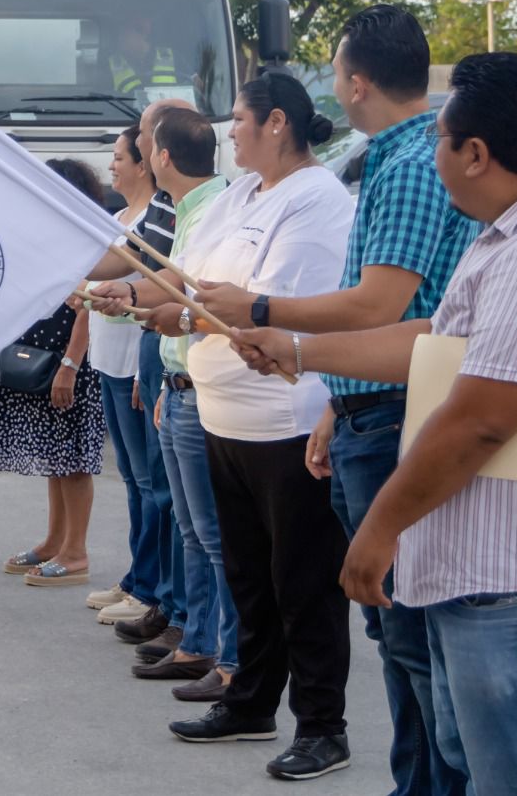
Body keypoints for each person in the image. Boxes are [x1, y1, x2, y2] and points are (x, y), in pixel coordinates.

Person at [236, 52, 517, 794]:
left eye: (440, 140)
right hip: (496, 569)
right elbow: (439, 342)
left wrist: (379, 530)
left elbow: (479, 421)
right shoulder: (516, 233)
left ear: (475, 154)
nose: (431, 158)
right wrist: (300, 352)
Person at [196, 5, 476, 795]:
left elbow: (376, 307)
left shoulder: (411, 165)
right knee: (397, 634)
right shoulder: (387, 161)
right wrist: (333, 401)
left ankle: (421, 782)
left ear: (355, 82)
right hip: (365, 407)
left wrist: (263, 316)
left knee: (406, 632)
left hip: (393, 416)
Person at [147, 72, 357, 782]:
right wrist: (139, 296)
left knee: (303, 583)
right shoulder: (239, 195)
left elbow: (274, 304)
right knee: (248, 575)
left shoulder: (316, 200)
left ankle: (324, 726)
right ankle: (252, 700)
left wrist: (200, 308)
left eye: (237, 119)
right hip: (221, 415)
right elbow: (187, 281)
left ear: (275, 123)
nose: (228, 131)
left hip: (285, 422)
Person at [132, 109, 237, 702]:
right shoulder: (188, 209)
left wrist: (127, 292)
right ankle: (198, 641)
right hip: (178, 383)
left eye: (148, 141)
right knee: (192, 530)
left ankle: (228, 654)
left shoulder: (214, 209)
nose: (142, 150)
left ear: (163, 157)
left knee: (214, 535)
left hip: (201, 390)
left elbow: (187, 294)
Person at [83, 99, 189, 649]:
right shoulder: (154, 211)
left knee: (163, 492)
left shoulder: (175, 210)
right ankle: (150, 587)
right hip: (137, 360)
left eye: (143, 137)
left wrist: (119, 292)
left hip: (150, 358)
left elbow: (149, 280)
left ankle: (163, 597)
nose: (131, 151)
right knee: (141, 481)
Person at [0, 159, 108, 587]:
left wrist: (71, 364)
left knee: (73, 459)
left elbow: (88, 308)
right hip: (44, 348)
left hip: (70, 358)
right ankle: (55, 540)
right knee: (56, 457)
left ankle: (76, 553)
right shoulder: (49, 233)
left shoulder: (87, 236)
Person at [81, 128, 158, 623]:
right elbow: (94, 277)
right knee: (131, 479)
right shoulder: (116, 218)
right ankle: (137, 577)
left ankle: (150, 588)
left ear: (143, 164)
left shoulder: (154, 223)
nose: (111, 166)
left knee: (151, 484)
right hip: (107, 360)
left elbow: (141, 286)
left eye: (117, 157)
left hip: (135, 362)